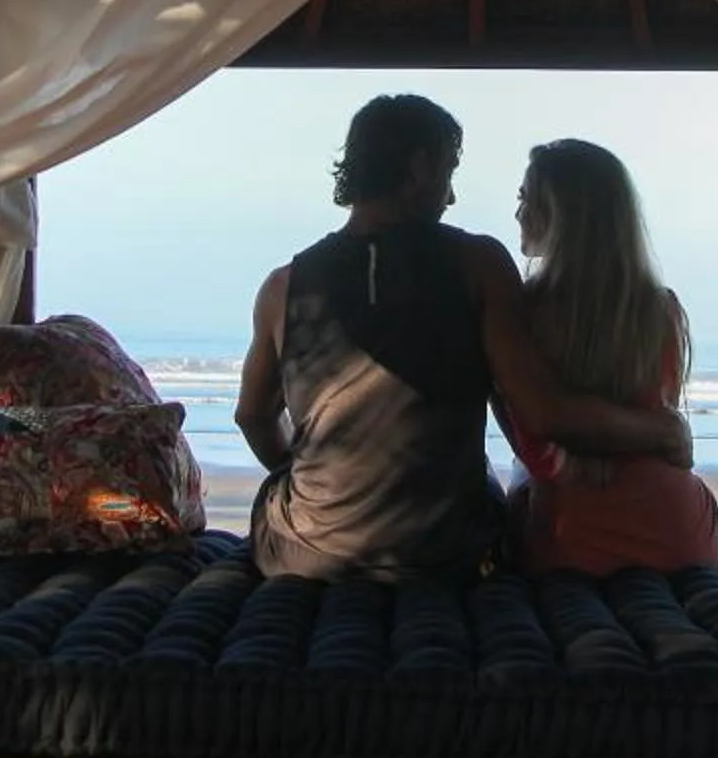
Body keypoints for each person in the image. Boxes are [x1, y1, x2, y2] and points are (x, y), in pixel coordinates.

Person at [235, 96, 691, 582]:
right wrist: (660, 431)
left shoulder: (282, 288)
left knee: (281, 496)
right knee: (488, 489)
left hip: (312, 559)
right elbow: (543, 412)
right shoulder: (480, 265)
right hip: (447, 554)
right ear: (419, 169)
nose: (451, 199)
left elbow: (252, 416)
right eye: (449, 174)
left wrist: (311, 479)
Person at [503, 138, 718, 575]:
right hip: (677, 529)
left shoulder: (519, 316)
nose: (518, 214)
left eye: (527, 200)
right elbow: (664, 432)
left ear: (562, 216)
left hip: (571, 532)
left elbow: (530, 436)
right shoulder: (658, 311)